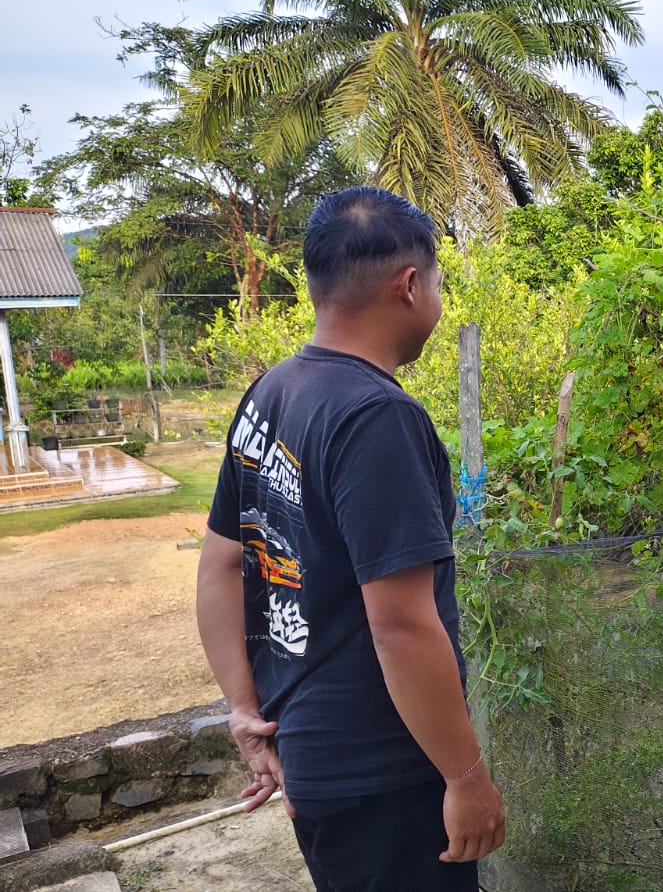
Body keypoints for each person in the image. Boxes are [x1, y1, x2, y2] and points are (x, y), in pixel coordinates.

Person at [197, 186, 505, 891]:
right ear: (409, 285)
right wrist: (466, 776)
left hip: (314, 756)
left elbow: (220, 565)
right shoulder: (376, 417)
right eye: (437, 282)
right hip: (383, 771)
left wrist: (246, 710)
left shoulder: (272, 391)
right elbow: (399, 624)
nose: (437, 298)